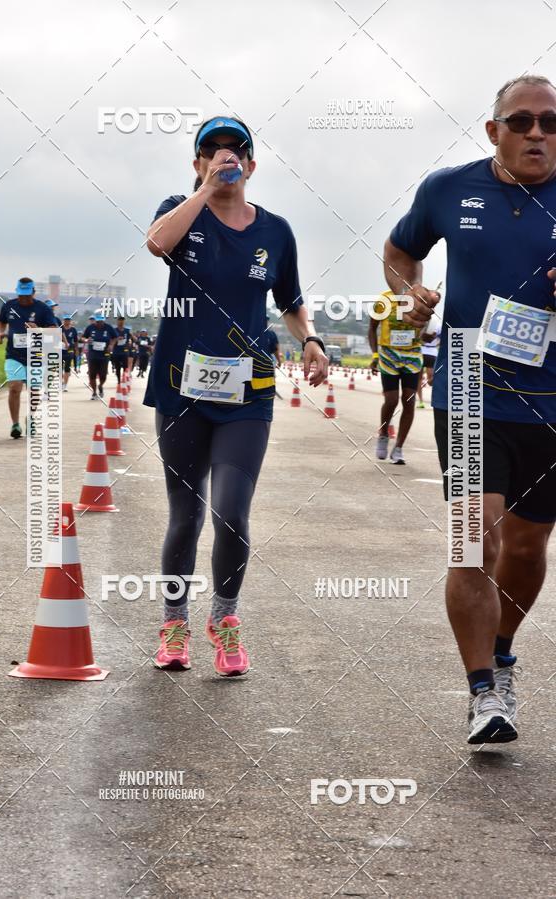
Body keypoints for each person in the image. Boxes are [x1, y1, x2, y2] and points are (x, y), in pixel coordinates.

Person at [384, 74, 556, 744]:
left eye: (550, 121)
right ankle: (484, 691)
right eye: (521, 122)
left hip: (549, 401)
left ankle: (504, 650)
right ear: (494, 131)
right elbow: (401, 251)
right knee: (472, 536)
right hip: (470, 390)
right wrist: (410, 291)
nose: (537, 133)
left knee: (526, 542)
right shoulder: (448, 188)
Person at [144, 115, 328, 675]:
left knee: (231, 512)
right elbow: (156, 245)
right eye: (212, 151)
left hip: (248, 392)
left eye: (236, 151)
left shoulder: (275, 231)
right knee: (185, 515)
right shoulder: (180, 207)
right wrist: (205, 191)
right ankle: (174, 621)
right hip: (181, 388)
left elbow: (291, 300)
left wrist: (313, 339)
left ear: (251, 164)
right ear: (198, 162)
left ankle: (225, 620)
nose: (225, 157)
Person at [0, 277, 57, 438]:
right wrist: (0, 333)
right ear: (17, 292)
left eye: (27, 295)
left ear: (33, 292)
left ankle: (30, 417)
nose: (24, 298)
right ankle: (15, 424)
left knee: (35, 390)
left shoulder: (43, 309)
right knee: (15, 388)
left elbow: (53, 330)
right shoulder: (8, 306)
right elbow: (1, 322)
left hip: (36, 355)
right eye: (21, 295)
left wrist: (39, 329)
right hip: (13, 355)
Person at [368, 289, 423, 464]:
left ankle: (398, 447)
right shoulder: (384, 299)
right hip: (388, 354)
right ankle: (383, 434)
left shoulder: (419, 299)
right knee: (391, 400)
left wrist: (425, 335)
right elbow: (372, 329)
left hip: (412, 355)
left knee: (409, 400)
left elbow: (425, 326)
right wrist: (375, 355)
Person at [81, 312, 116, 399]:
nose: (99, 323)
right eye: (98, 322)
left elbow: (115, 337)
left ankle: (101, 386)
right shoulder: (90, 327)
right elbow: (82, 337)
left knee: (103, 374)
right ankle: (94, 392)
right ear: (95, 321)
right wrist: (86, 340)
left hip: (104, 354)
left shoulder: (109, 328)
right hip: (92, 354)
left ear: (104, 321)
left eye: (101, 321)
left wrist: (111, 345)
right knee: (92, 374)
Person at [417, 324, 441, 408]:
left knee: (429, 380)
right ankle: (421, 402)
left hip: (428, 352)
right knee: (421, 379)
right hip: (425, 352)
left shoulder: (437, 325)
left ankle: (426, 401)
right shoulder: (437, 324)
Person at [111, 315, 133, 383]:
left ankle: (124, 379)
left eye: (122, 320)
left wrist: (130, 341)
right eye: (120, 320)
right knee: (117, 367)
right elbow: (111, 340)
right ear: (117, 321)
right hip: (116, 351)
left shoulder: (127, 330)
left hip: (124, 351)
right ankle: (118, 380)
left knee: (125, 366)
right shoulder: (114, 330)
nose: (121, 322)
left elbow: (132, 339)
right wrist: (117, 339)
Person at [61, 316, 78, 392]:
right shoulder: (60, 328)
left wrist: (76, 349)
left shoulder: (73, 329)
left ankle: (65, 385)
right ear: (63, 321)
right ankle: (61, 382)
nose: (67, 322)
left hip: (69, 350)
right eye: (66, 320)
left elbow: (76, 340)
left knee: (67, 368)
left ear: (70, 321)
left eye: (68, 320)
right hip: (60, 350)